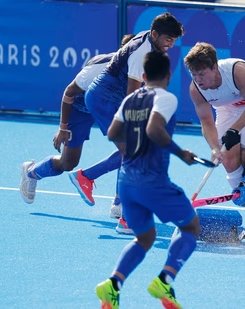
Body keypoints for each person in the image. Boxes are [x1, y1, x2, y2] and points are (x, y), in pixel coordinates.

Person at [95, 51, 200, 309]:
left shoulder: (130, 99)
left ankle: (113, 284)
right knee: (190, 227)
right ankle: (165, 279)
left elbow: (112, 133)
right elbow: (154, 129)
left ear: (142, 76)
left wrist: (134, 147)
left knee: (145, 238)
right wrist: (182, 153)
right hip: (152, 181)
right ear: (168, 76)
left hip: (127, 183)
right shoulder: (166, 98)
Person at [68, 13, 184, 221]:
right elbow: (131, 94)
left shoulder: (149, 39)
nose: (171, 45)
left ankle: (112, 198)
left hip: (107, 96)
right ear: (155, 34)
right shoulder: (142, 53)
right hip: (105, 98)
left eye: (174, 41)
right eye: (168, 40)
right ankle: (125, 213)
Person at [19, 34, 134, 204]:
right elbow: (69, 92)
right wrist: (63, 128)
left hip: (109, 108)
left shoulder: (139, 71)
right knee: (68, 163)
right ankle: (32, 172)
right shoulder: (103, 67)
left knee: (129, 148)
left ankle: (119, 202)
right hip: (80, 109)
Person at [183, 42, 245, 215]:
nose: (198, 79)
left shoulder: (236, 71)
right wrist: (215, 148)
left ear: (214, 67)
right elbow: (206, 122)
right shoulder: (196, 89)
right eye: (193, 74)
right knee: (227, 159)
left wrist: (234, 130)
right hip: (227, 109)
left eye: (201, 74)